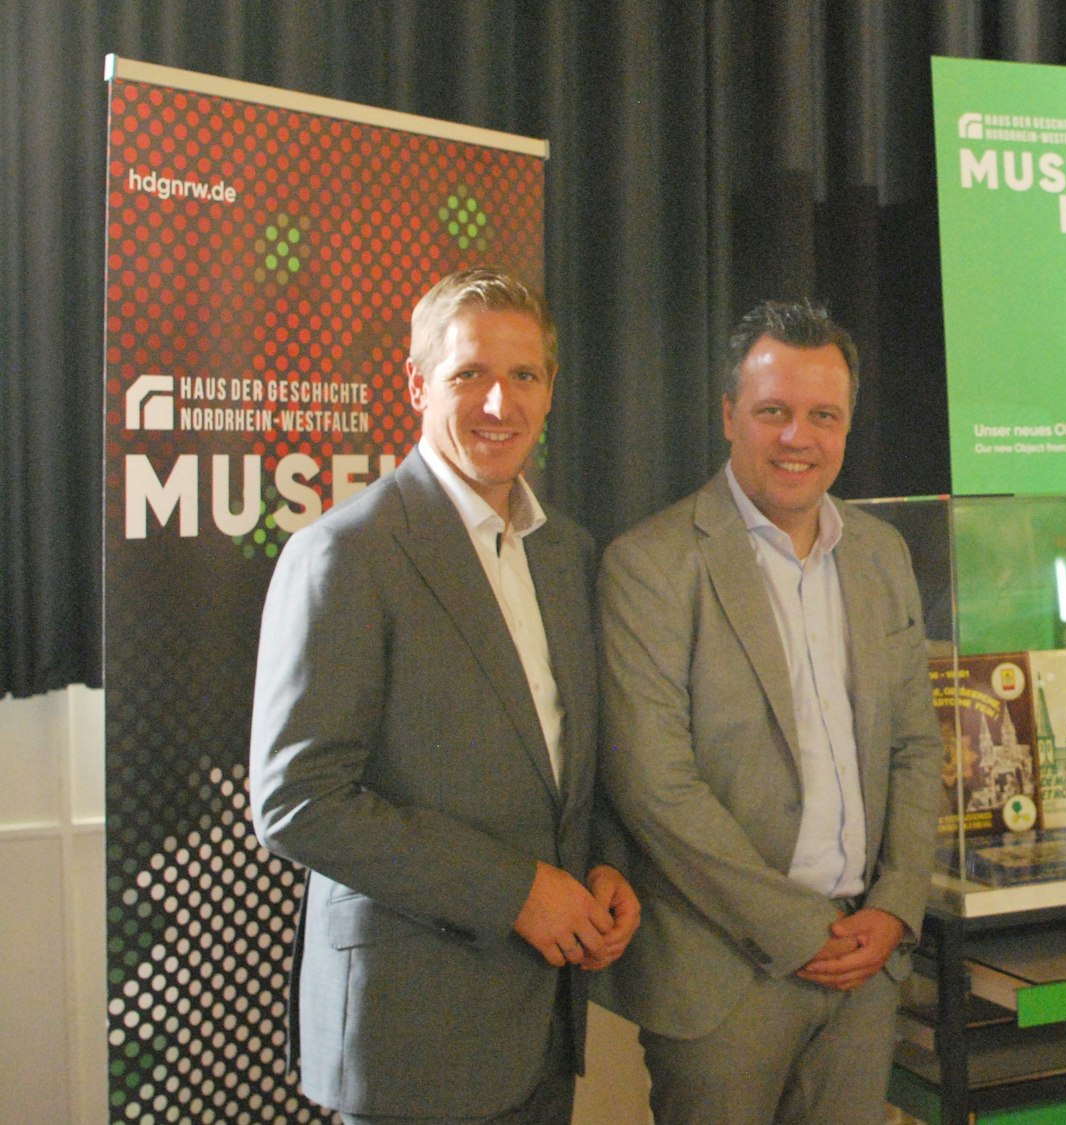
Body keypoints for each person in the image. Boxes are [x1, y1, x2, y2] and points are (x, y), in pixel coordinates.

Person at [248, 268, 639, 1123]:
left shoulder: (565, 552)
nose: (500, 401)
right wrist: (516, 892)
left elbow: (565, 759)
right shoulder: (345, 555)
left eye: (524, 375)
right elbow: (297, 800)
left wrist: (601, 862)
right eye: (470, 374)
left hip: (542, 1024)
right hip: (412, 1038)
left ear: (550, 391)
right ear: (419, 383)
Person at [595, 299, 942, 1125]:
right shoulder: (649, 564)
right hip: (724, 978)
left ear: (847, 425)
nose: (799, 437)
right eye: (773, 412)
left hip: (866, 963)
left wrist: (895, 904)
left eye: (823, 415)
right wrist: (799, 929)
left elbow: (916, 746)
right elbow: (653, 784)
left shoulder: (881, 554)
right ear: (727, 415)